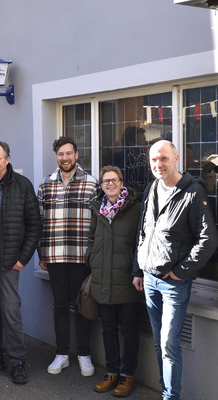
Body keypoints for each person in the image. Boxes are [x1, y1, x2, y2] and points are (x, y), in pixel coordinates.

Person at [132, 140, 218, 400]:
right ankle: (164, 390)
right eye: (154, 160)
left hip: (174, 284)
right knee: (159, 342)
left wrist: (182, 271)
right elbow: (143, 231)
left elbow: (209, 240)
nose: (158, 164)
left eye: (164, 159)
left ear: (176, 159)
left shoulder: (193, 192)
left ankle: (171, 396)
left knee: (169, 344)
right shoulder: (151, 188)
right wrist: (138, 269)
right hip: (149, 279)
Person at [0, 141, 42, 384]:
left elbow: (35, 226)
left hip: (8, 263)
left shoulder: (22, 185)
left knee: (11, 313)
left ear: (7, 159)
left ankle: (18, 361)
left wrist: (23, 258)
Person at [37, 136, 99, 377]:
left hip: (82, 257)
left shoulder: (92, 184)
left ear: (76, 154)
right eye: (60, 154)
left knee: (84, 306)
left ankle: (84, 354)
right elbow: (38, 221)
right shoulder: (46, 185)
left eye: (68, 153)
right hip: (55, 256)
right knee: (60, 305)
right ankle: (61, 354)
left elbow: (98, 223)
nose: (65, 158)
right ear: (57, 157)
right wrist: (41, 252)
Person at [85, 166, 142, 397]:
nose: (110, 184)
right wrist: (91, 258)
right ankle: (112, 372)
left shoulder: (135, 208)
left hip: (127, 280)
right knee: (108, 329)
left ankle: (127, 376)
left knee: (128, 330)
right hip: (103, 279)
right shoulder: (98, 208)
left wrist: (137, 269)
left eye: (114, 180)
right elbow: (91, 237)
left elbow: (141, 242)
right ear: (101, 185)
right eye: (105, 181)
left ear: (121, 183)